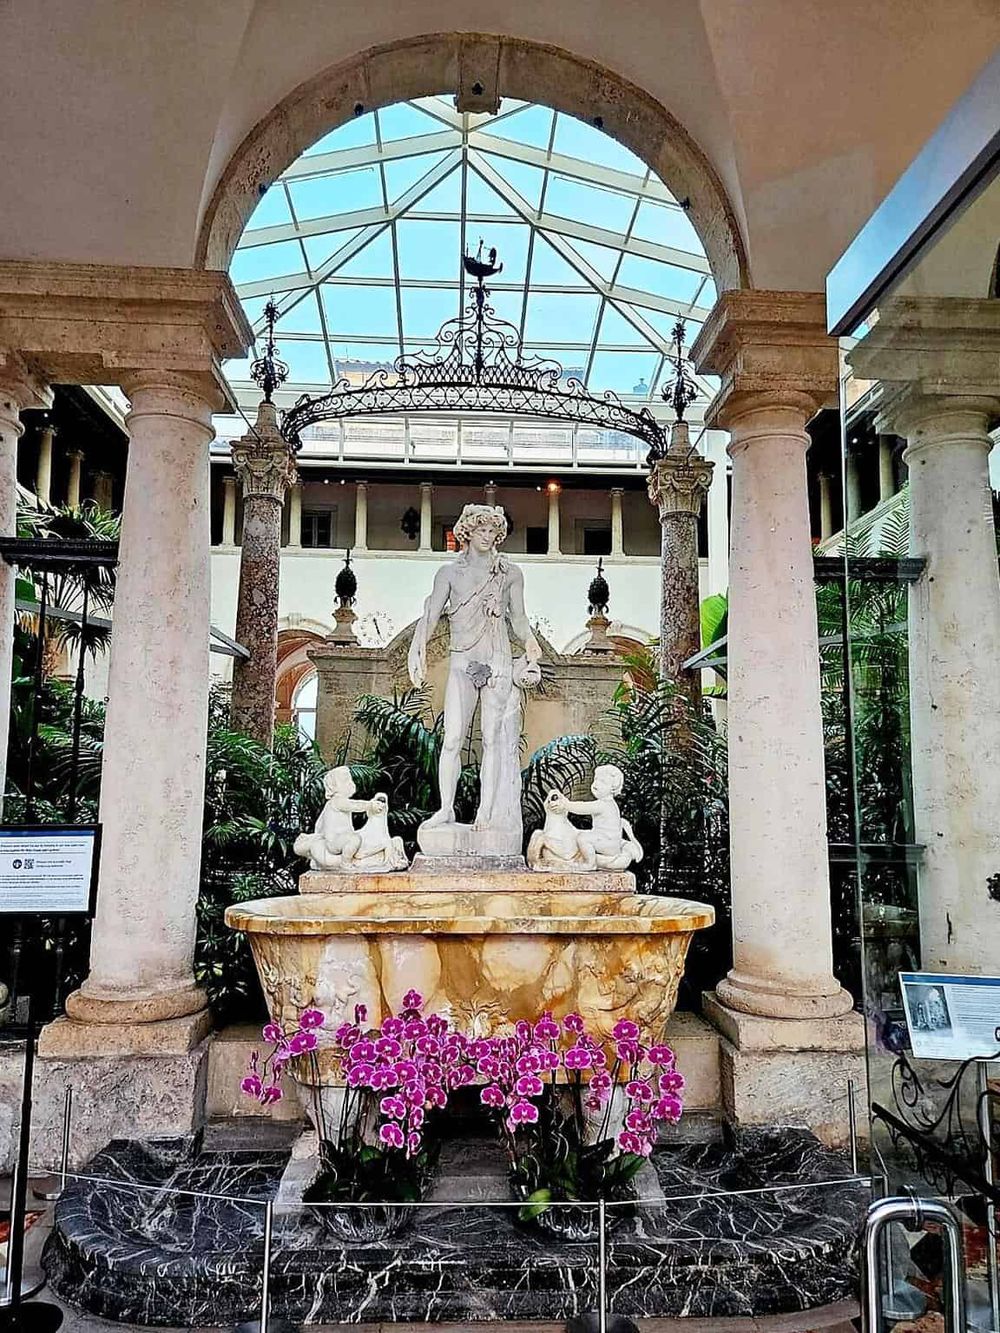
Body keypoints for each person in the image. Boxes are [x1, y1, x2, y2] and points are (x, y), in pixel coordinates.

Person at [408, 504, 541, 842]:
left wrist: (531, 643)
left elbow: (520, 618)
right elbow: (431, 615)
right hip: (462, 662)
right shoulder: (449, 574)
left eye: (493, 531)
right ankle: (446, 808)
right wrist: (416, 646)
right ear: (466, 531)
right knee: (452, 738)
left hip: (497, 660)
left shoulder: (510, 573)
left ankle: (487, 809)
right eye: (481, 529)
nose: (487, 535)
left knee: (493, 740)